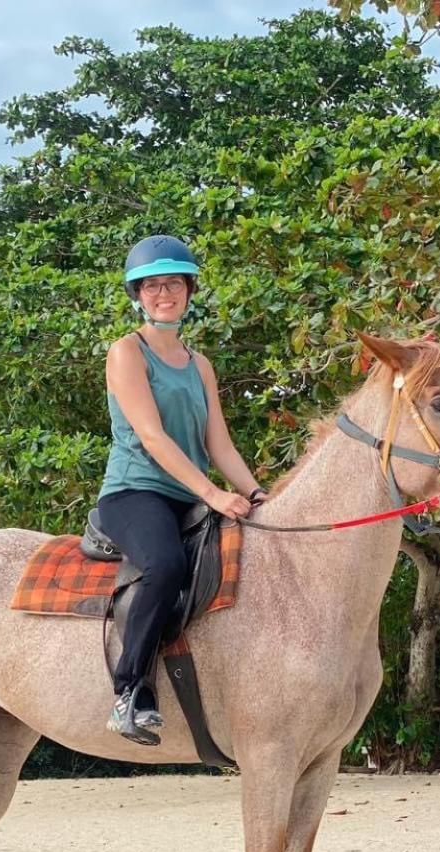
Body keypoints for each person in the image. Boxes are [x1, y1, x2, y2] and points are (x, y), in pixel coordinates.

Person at [97, 235, 265, 746]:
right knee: (165, 565)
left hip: (188, 496)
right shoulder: (127, 351)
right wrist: (214, 496)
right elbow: (152, 436)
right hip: (136, 491)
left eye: (172, 283)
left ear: (190, 291)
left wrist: (257, 494)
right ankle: (130, 692)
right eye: (151, 285)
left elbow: (220, 446)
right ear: (137, 295)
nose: (162, 293)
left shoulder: (201, 365)